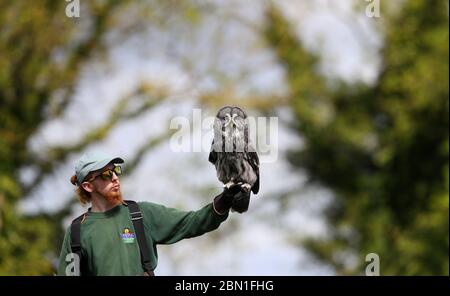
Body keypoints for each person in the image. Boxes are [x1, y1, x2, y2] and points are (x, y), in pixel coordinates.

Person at [57, 151, 242, 276]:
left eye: (116, 170)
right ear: (88, 186)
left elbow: (193, 222)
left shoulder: (140, 214)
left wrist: (224, 200)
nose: (115, 177)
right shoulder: (77, 231)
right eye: (106, 174)